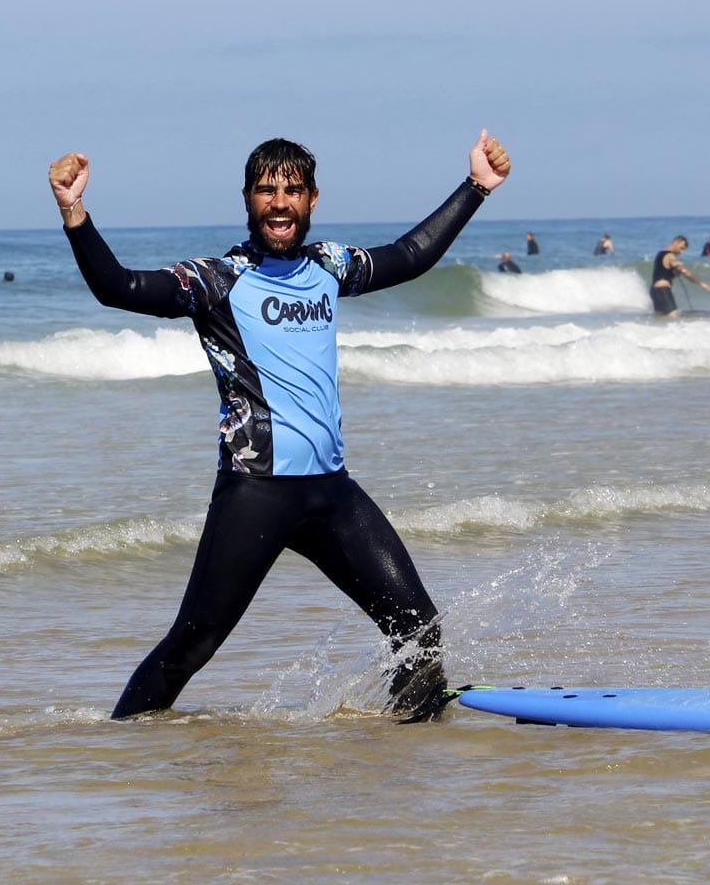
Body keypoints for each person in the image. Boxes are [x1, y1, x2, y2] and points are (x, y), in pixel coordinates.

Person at [48, 130, 511, 722]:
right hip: (255, 491)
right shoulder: (214, 281)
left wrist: (476, 187)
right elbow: (120, 288)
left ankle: (408, 749)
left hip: (331, 490)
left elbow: (411, 255)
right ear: (247, 199)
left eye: (292, 190)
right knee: (191, 646)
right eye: (266, 190)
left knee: (420, 628)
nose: (279, 202)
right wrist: (74, 212)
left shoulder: (331, 267)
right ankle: (121, 747)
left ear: (313, 200)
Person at [650, 236, 710, 317]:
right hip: (663, 291)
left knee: (661, 319)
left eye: (684, 250)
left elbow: (662, 273)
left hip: (654, 291)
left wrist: (675, 273)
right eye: (681, 248)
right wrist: (703, 284)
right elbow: (685, 272)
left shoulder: (660, 253)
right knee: (674, 317)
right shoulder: (670, 256)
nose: (681, 252)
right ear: (675, 242)